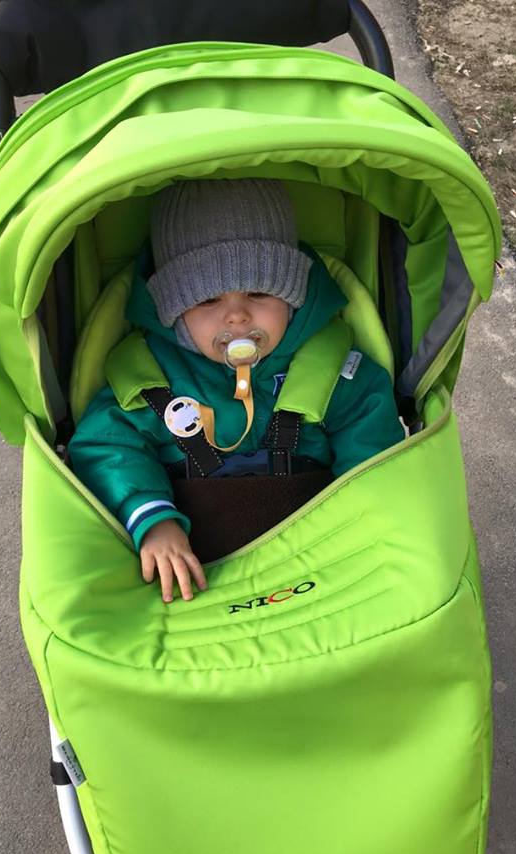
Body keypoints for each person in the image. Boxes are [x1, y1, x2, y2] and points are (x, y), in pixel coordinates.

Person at [69, 178, 404, 602]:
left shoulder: (337, 369)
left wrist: (361, 517)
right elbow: (107, 445)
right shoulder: (149, 377)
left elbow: (371, 448)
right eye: (208, 301)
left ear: (292, 298)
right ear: (175, 311)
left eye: (259, 292)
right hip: (191, 565)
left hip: (320, 549)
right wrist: (154, 520)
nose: (238, 316)